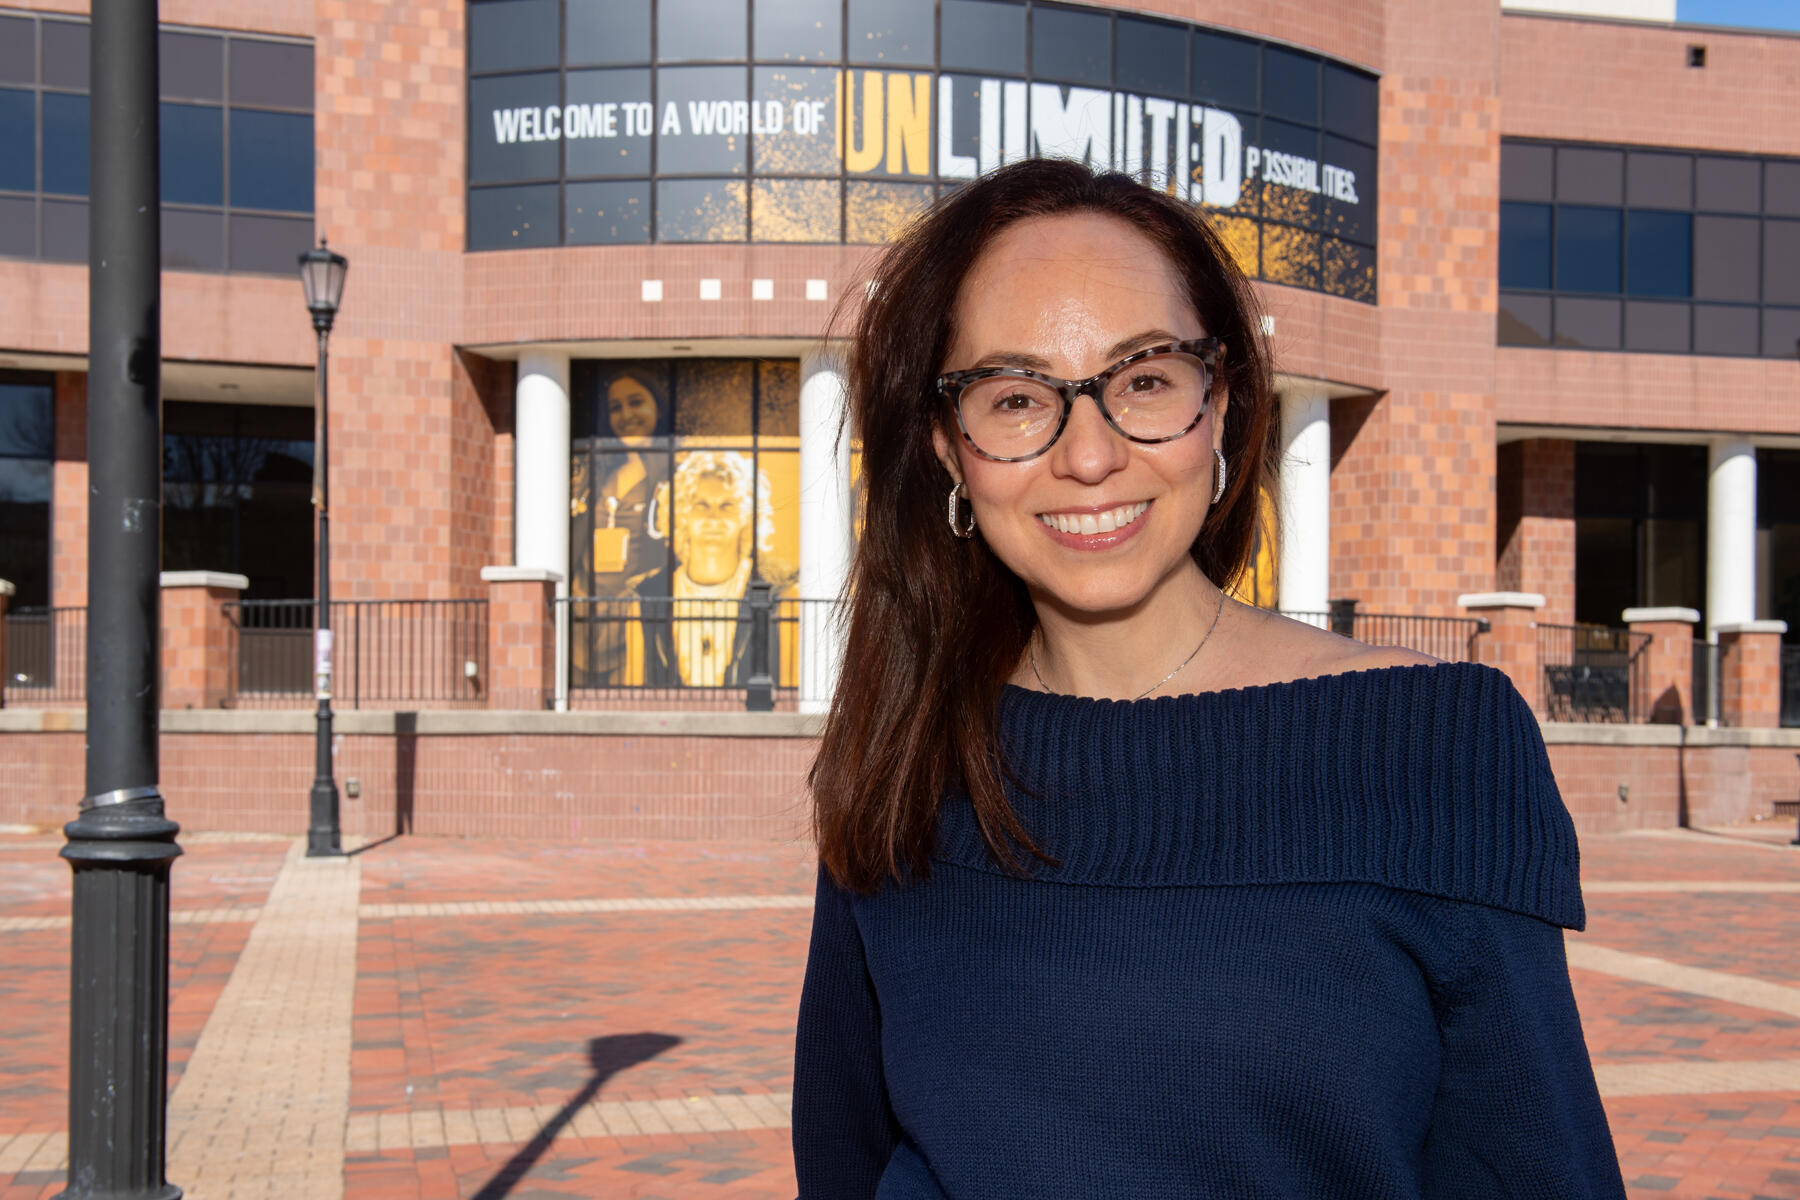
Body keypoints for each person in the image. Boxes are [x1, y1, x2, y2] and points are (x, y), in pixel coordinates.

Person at [792, 158, 1626, 1199]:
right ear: (949, 450)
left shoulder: (1436, 742)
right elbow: (842, 1157)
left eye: (1144, 380)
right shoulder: (908, 749)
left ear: (1219, 403)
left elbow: (1534, 1168)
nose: (1088, 456)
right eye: (1014, 399)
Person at [624, 449, 792, 687]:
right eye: (701, 505)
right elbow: (632, 690)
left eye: (727, 505)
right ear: (681, 514)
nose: (714, 518)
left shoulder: (781, 596)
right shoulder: (645, 596)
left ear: (747, 516)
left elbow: (793, 690)